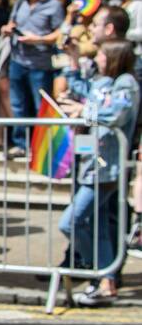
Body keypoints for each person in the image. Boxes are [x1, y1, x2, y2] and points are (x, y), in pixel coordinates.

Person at [57, 40, 138, 306]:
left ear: (114, 56)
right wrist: (72, 61)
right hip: (89, 163)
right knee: (99, 227)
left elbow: (117, 114)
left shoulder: (126, 83)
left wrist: (84, 111)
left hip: (107, 166)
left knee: (71, 221)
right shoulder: (103, 82)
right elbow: (83, 90)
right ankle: (106, 281)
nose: (98, 58)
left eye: (102, 54)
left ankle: (96, 269)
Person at [2, 0, 65, 158]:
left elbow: (60, 34)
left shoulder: (54, 6)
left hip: (40, 64)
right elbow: (12, 24)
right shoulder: (20, 3)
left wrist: (37, 39)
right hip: (17, 61)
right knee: (17, 104)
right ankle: (21, 144)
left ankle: (43, 148)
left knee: (40, 106)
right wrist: (8, 29)